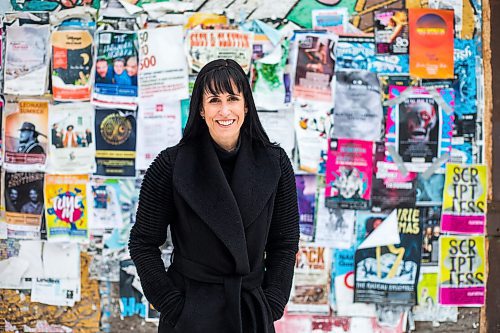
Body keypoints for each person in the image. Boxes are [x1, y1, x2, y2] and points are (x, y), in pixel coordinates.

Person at [129, 59, 299, 333]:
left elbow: (285, 243)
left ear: (246, 105)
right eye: (213, 100)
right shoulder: (171, 165)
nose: (224, 110)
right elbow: (142, 243)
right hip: (191, 313)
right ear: (200, 108)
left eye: (232, 98)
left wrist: (272, 303)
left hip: (250, 313)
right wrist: (172, 304)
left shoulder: (275, 163)